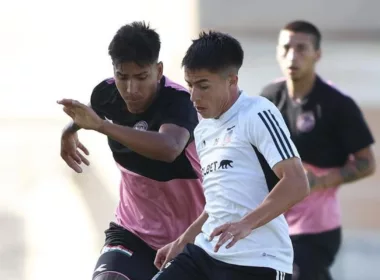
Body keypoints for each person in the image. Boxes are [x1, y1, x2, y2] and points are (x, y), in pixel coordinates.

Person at [151, 31, 310, 280]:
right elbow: (219, 204)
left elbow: (297, 183)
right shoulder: (202, 130)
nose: (194, 96)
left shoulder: (257, 113)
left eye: (203, 86)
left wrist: (245, 224)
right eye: (190, 85)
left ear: (231, 80)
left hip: (259, 261)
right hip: (206, 254)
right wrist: (182, 240)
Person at [57, 21, 205, 280]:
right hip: (132, 230)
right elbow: (90, 114)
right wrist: (69, 131)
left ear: (158, 71)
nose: (131, 89)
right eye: (122, 77)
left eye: (141, 77)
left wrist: (102, 127)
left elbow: (169, 148)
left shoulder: (180, 102)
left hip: (189, 238)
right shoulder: (106, 94)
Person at [260, 20, 376, 280]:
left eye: (302, 48)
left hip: (315, 227)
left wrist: (320, 182)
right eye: (286, 47)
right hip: (272, 221)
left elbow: (367, 163)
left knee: (298, 272)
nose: (293, 56)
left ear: (317, 54)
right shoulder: (268, 98)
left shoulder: (337, 104)